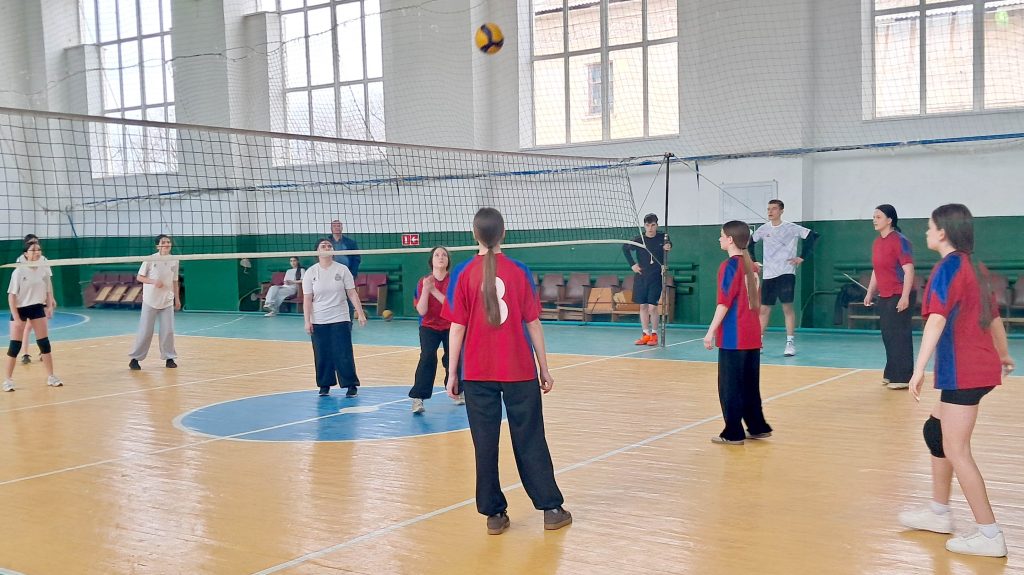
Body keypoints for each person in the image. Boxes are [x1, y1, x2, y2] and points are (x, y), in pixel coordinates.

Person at [443, 207, 571, 535]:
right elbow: (533, 323)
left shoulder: (461, 273)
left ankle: (494, 515)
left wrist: (452, 372)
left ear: (474, 235)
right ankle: (551, 509)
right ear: (504, 233)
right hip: (519, 370)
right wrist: (544, 368)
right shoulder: (520, 271)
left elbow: (457, 327)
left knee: (484, 443)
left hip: (477, 372)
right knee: (530, 438)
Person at [899, 204, 1014, 558]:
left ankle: (989, 534)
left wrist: (918, 368)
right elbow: (994, 318)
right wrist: (1004, 354)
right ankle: (939, 512)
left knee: (956, 449)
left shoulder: (948, 268)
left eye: (929, 226)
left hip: (965, 371)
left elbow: (936, 319)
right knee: (936, 432)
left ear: (943, 232)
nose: (926, 232)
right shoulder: (976, 267)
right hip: (972, 368)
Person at [703, 221, 772, 445]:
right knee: (750, 385)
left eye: (722, 235)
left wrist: (710, 331)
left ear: (731, 239)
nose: (719, 239)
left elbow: (724, 302)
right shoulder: (752, 266)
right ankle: (757, 427)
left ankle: (733, 433)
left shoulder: (729, 266)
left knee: (730, 387)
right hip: (751, 335)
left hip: (734, 336)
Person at [750, 200, 818, 356]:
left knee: (787, 307)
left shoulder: (791, 227)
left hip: (786, 273)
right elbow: (749, 243)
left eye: (774, 208)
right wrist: (754, 261)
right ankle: (758, 342)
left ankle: (790, 343)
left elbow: (812, 236)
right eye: (768, 209)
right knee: (764, 309)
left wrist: (802, 257)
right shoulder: (763, 229)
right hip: (769, 274)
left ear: (781, 211)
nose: (770, 211)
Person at [303, 238, 367, 397]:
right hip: (319, 319)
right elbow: (307, 298)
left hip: (340, 317)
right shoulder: (311, 272)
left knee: (343, 352)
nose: (327, 247)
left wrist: (360, 313)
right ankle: (324, 385)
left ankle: (350, 385)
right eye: (323, 246)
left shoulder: (342, 269)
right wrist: (307, 321)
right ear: (317, 251)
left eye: (329, 245)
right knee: (322, 354)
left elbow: (352, 293)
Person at [864, 205, 915, 390]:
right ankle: (892, 372)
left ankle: (904, 377)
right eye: (874, 217)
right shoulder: (877, 242)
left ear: (889, 220)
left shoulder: (900, 241)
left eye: (878, 217)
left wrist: (905, 296)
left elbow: (909, 270)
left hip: (900, 293)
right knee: (888, 335)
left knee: (899, 335)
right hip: (885, 294)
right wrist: (870, 292)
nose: (874, 220)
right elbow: (876, 270)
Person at [408, 246, 463, 413]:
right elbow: (421, 311)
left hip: (450, 325)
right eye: (437, 255)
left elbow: (452, 307)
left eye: (444, 255)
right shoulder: (423, 281)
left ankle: (457, 391)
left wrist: (434, 290)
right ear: (431, 261)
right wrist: (426, 289)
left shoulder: (454, 281)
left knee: (453, 358)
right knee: (427, 357)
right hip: (429, 326)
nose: (440, 257)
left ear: (448, 261)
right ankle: (418, 398)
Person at [4, 239, 63, 391]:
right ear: (26, 254)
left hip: (37, 307)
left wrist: (49, 306)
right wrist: (17, 318)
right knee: (14, 346)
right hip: (20, 309)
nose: (37, 252)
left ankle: (51, 376)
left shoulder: (43, 268)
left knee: (44, 344)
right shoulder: (19, 271)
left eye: (38, 249)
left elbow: (48, 289)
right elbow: (11, 296)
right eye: (33, 250)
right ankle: (8, 380)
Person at [128, 235, 180, 370]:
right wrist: (153, 281)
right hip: (150, 300)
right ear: (158, 246)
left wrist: (177, 299)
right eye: (163, 242)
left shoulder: (174, 260)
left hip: (167, 300)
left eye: (168, 242)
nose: (167, 244)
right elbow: (139, 277)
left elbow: (175, 281)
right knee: (145, 331)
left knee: (168, 331)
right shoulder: (150, 259)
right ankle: (135, 359)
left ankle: (169, 358)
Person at [622, 213, 672, 346]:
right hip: (641, 276)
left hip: (656, 276)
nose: (650, 228)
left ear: (657, 225)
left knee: (652, 307)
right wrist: (632, 264)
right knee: (643, 306)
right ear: (644, 226)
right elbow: (625, 248)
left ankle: (654, 335)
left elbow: (669, 244)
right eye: (648, 225)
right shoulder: (639, 239)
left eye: (653, 225)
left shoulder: (663, 237)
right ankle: (645, 334)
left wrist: (668, 246)